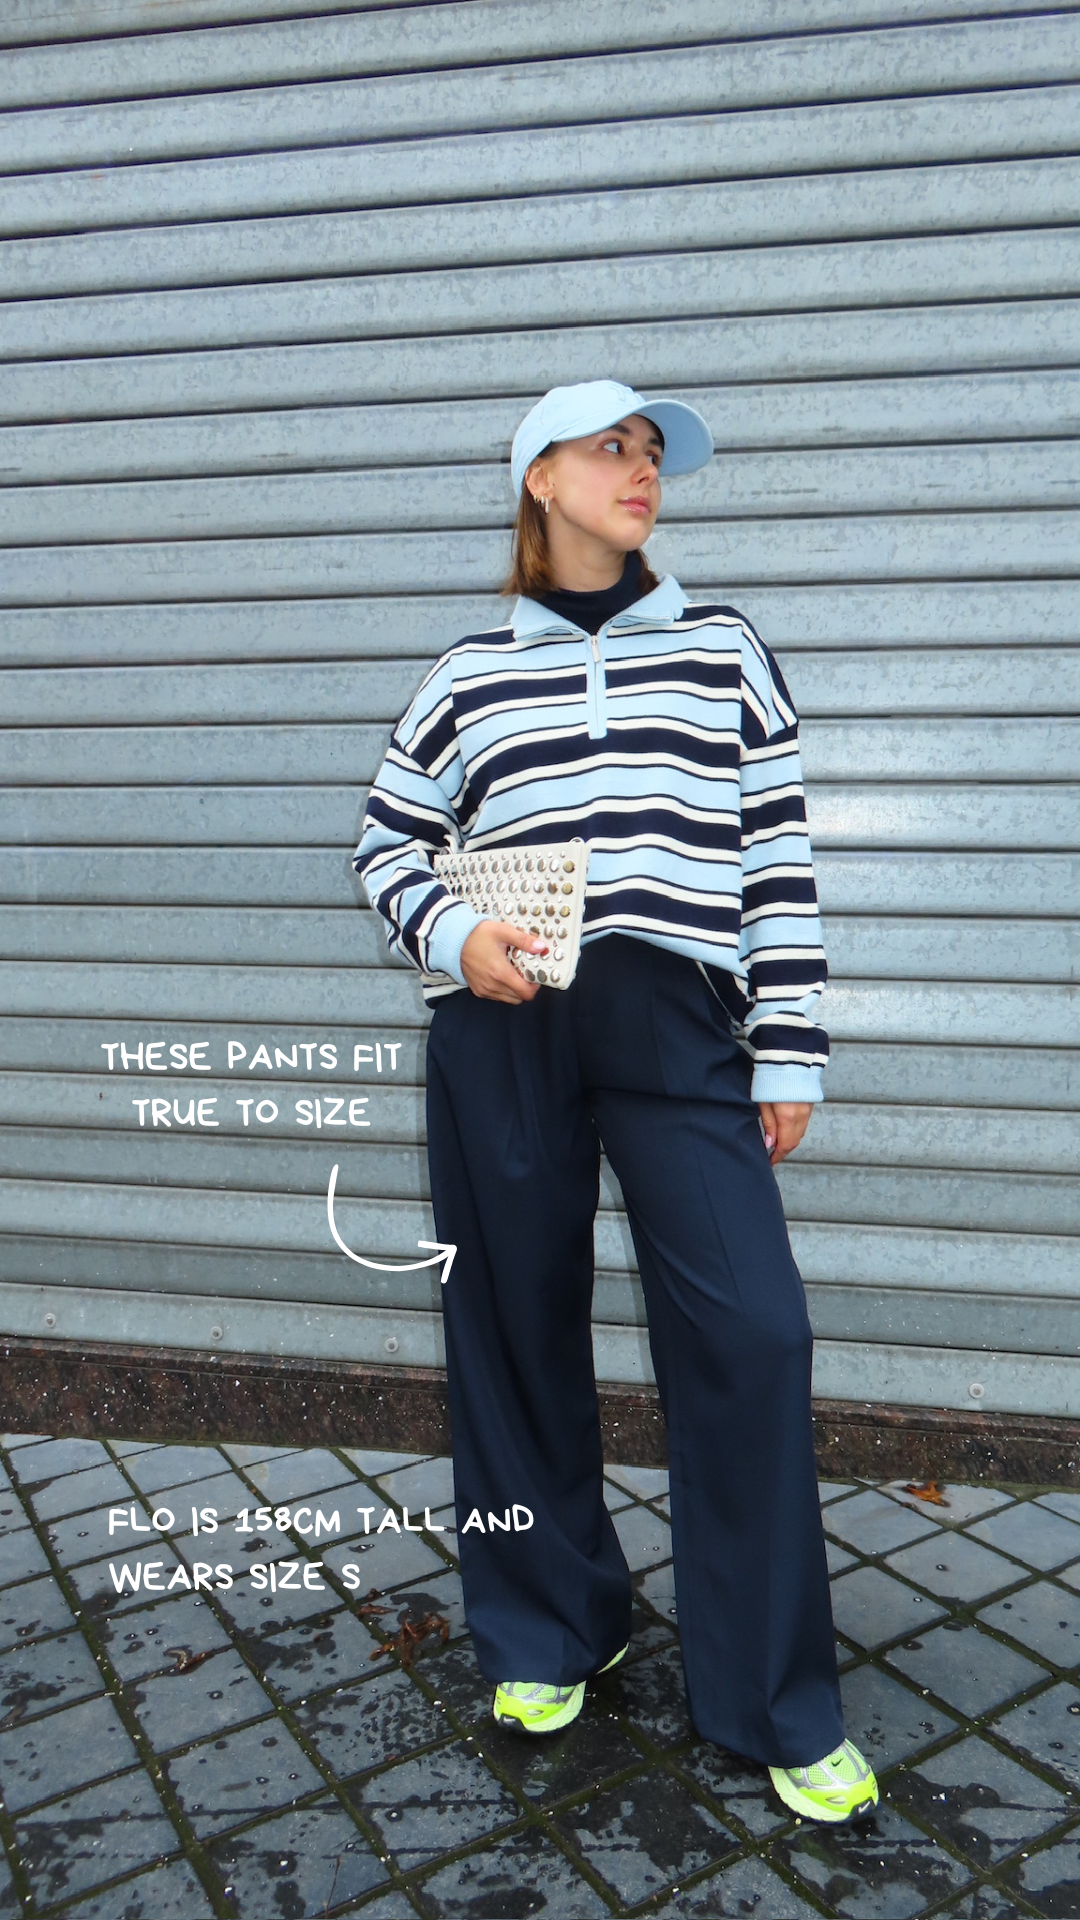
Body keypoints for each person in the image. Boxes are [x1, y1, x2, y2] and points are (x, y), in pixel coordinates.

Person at [353, 379, 878, 1824]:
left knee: (754, 1334)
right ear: (540, 479)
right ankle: (549, 1631)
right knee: (511, 1330)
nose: (641, 470)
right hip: (503, 1025)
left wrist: (789, 1049)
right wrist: (452, 932)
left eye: (652, 453)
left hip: (676, 1016)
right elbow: (386, 841)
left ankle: (772, 1696)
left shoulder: (723, 648)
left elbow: (776, 856)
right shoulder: (468, 673)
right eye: (611, 448)